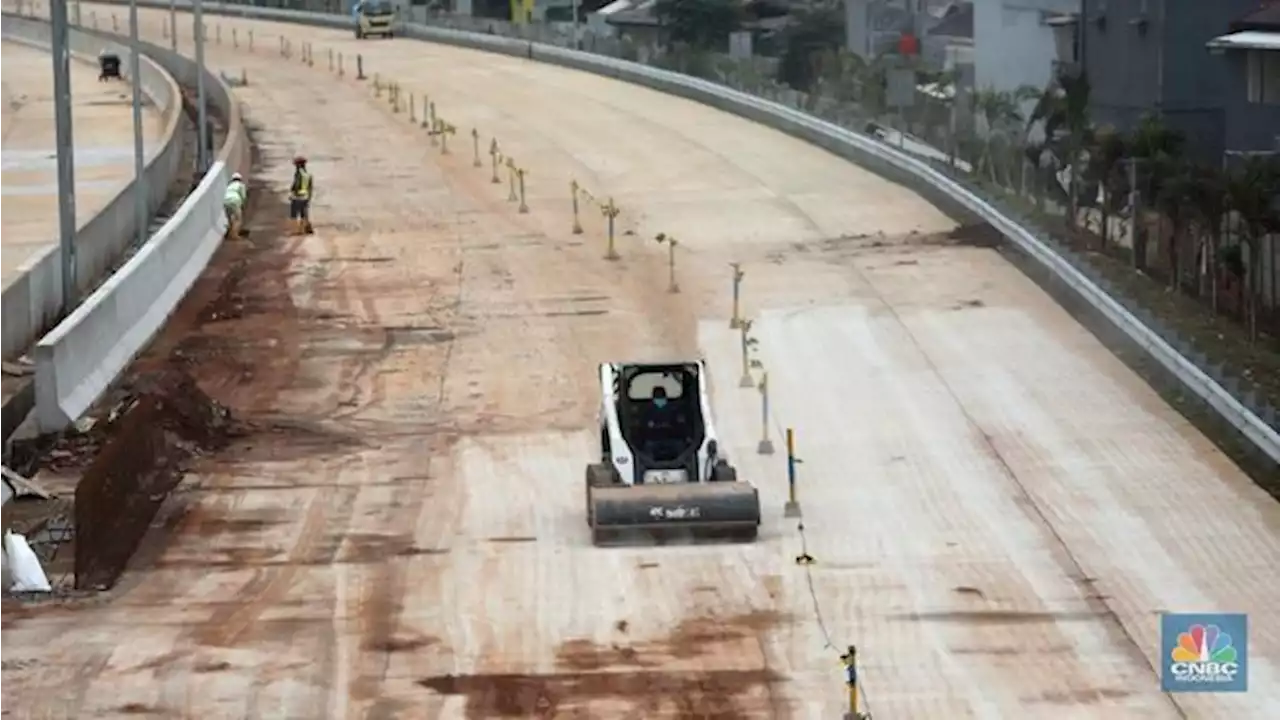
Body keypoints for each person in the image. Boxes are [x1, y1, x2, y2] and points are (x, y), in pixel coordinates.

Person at [289, 155, 314, 236]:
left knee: (294, 214)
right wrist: (309, 197)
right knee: (303, 213)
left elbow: (296, 185)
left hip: (297, 196)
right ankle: (302, 229)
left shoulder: (298, 174)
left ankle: (296, 230)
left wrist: (292, 193)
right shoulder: (308, 174)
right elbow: (310, 187)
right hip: (305, 196)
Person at [223, 172, 247, 239]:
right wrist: (243, 205)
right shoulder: (241, 185)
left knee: (230, 219)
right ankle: (234, 235)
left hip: (226, 201)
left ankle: (230, 231)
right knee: (238, 219)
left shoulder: (229, 185)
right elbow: (243, 196)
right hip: (235, 201)